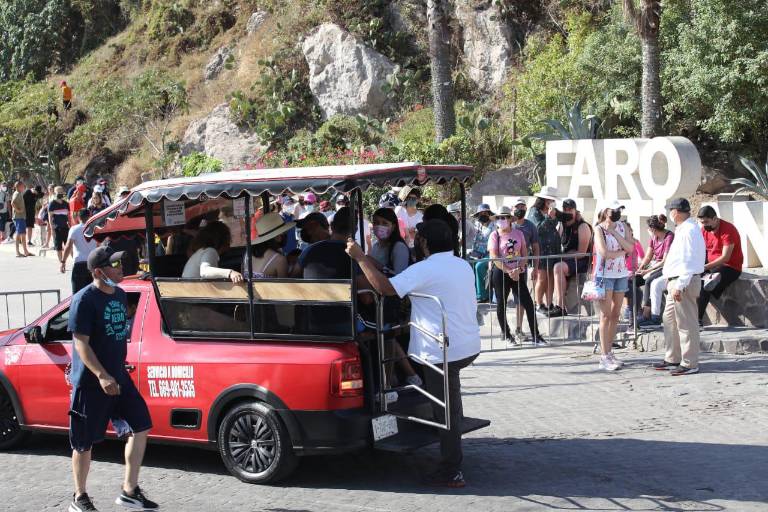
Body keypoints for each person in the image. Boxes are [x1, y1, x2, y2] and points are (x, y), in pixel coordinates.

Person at [346, 219, 480, 488]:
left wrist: (360, 257)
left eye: (419, 238)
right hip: (466, 344)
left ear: (426, 243)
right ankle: (449, 452)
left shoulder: (426, 269)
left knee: (447, 411)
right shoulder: (460, 264)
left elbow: (384, 289)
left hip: (443, 349)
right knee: (449, 404)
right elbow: (391, 279)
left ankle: (451, 470)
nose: (416, 242)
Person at [67, 246, 158, 512]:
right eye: (114, 265)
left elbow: (115, 335)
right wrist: (102, 374)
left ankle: (129, 491)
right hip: (92, 383)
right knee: (83, 443)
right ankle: (79, 497)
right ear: (98, 272)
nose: (120, 269)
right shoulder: (84, 300)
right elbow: (81, 345)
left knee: (141, 426)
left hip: (119, 378)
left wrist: (117, 367)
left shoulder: (119, 294)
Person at [655, 198, 706, 376]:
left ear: (676, 211)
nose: (670, 214)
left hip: (683, 281)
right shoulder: (684, 229)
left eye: (671, 211)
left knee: (686, 323)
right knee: (669, 320)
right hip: (675, 281)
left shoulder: (689, 230)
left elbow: (689, 260)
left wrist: (681, 284)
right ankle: (673, 358)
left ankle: (690, 362)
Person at [488, 206, 544, 346]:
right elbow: (494, 257)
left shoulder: (518, 233)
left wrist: (518, 269)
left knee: (528, 303)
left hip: (518, 272)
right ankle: (506, 334)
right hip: (501, 273)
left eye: (505, 217)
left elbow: (525, 253)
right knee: (502, 303)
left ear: (510, 219)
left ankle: (536, 335)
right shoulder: (494, 235)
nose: (502, 220)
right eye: (499, 217)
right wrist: (508, 271)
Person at [593, 201, 635, 371]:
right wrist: (622, 251)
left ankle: (609, 352)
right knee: (605, 315)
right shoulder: (598, 229)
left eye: (619, 209)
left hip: (621, 273)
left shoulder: (623, 226)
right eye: (614, 210)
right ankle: (604, 355)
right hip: (605, 275)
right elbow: (604, 253)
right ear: (606, 210)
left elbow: (631, 247)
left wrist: (615, 234)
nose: (617, 212)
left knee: (616, 314)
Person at [696, 206, 743, 325]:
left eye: (706, 222)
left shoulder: (728, 230)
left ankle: (697, 320)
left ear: (715, 219)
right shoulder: (704, 230)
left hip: (730, 266)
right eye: (702, 222)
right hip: (712, 265)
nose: (704, 225)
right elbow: (700, 250)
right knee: (693, 279)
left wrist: (705, 267)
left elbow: (725, 257)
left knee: (705, 284)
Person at [550, 198, 592, 317]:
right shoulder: (562, 225)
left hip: (581, 261)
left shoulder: (582, 226)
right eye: (565, 209)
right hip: (567, 259)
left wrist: (563, 256)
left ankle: (560, 305)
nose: (567, 212)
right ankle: (548, 304)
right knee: (550, 265)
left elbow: (581, 253)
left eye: (570, 209)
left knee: (558, 267)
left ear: (575, 210)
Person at [510, 198, 542, 341]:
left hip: (521, 267)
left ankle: (518, 328)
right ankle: (506, 332)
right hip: (505, 267)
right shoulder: (508, 225)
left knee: (521, 300)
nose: (520, 209)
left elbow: (535, 247)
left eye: (523, 206)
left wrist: (535, 267)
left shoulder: (531, 226)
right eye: (518, 206)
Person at [526, 186, 561, 315]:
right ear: (544, 200)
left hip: (552, 249)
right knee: (542, 278)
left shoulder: (549, 212)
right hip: (540, 250)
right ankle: (539, 303)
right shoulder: (534, 211)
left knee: (551, 277)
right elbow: (537, 230)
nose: (551, 203)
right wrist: (548, 218)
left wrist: (553, 216)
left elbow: (553, 225)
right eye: (550, 200)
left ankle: (549, 302)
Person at [637, 215, 674, 326]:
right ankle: (634, 311)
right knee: (634, 280)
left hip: (666, 266)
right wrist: (640, 268)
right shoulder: (654, 238)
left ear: (652, 229)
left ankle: (647, 314)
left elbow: (664, 261)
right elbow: (648, 257)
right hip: (654, 265)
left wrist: (648, 271)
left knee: (650, 281)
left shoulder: (669, 236)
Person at [298, 208, 353, 279]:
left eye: (309, 227)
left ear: (316, 226)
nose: (306, 231)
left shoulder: (345, 248)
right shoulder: (306, 251)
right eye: (304, 228)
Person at [242, 213, 292, 278]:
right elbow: (284, 286)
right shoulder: (279, 259)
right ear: (278, 237)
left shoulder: (248, 254)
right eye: (284, 232)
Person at [61, 209, 98, 294]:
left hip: (79, 264)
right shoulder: (95, 229)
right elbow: (99, 246)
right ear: (90, 217)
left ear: (78, 218)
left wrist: (63, 262)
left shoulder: (74, 229)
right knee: (92, 293)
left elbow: (68, 246)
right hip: (92, 264)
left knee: (78, 293)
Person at [469, 203, 495, 303]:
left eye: (485, 213)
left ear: (489, 214)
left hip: (491, 253)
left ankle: (483, 295)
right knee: (469, 264)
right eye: (481, 213)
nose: (483, 215)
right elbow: (475, 241)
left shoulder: (494, 225)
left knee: (479, 266)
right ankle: (474, 293)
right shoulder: (478, 225)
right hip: (478, 252)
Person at [49, 186, 71, 261]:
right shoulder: (52, 204)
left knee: (68, 245)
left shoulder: (66, 204)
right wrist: (52, 228)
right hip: (57, 228)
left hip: (66, 227)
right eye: (58, 192)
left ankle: (73, 261)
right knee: (59, 247)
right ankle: (61, 262)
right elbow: (50, 217)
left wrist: (70, 225)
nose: (60, 194)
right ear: (55, 193)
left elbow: (69, 215)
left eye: (61, 192)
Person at [11, 181, 32, 257]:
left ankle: (25, 251)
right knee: (19, 234)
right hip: (18, 217)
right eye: (23, 186)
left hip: (21, 217)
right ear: (19, 186)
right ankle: (17, 252)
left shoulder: (19, 193)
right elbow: (12, 203)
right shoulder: (17, 194)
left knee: (23, 234)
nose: (24, 187)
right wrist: (18, 210)